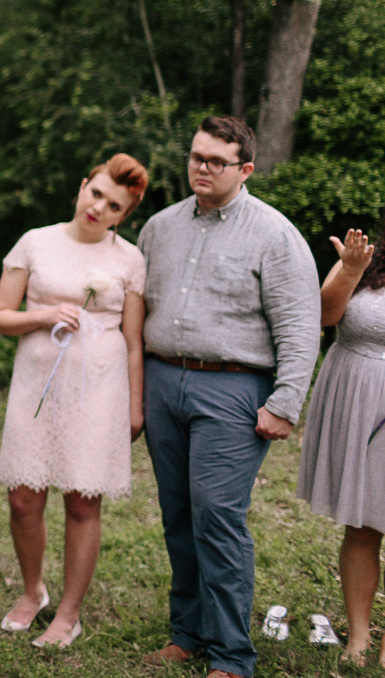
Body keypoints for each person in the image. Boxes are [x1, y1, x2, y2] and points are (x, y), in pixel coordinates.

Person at [138, 116, 320, 678]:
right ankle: (187, 633)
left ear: (245, 169)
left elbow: (299, 322)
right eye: (195, 157)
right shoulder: (160, 227)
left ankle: (232, 655)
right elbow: (136, 308)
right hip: (163, 380)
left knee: (217, 515)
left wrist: (286, 402)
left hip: (235, 388)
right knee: (178, 513)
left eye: (215, 161)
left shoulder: (274, 234)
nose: (201, 168)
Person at [0, 153, 149, 647]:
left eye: (114, 205)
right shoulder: (36, 242)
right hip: (37, 382)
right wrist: (46, 315)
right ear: (83, 186)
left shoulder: (129, 260)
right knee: (23, 497)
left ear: (124, 216)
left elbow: (134, 340)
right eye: (96, 193)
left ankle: (69, 612)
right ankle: (32, 590)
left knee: (82, 501)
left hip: (100, 388)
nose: (99, 207)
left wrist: (135, 407)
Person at [297, 225, 385, 666]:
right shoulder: (364, 260)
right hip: (356, 399)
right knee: (364, 523)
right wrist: (350, 270)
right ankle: (359, 636)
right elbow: (324, 315)